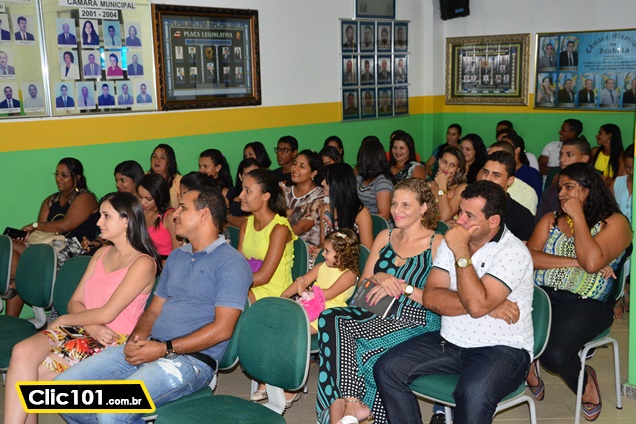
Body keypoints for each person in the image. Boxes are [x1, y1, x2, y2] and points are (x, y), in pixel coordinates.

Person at [56, 186, 252, 423]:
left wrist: (163, 349)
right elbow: (154, 309)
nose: (175, 214)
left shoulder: (231, 263)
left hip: (191, 361)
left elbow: (223, 329)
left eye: (183, 208)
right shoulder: (178, 257)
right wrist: (135, 341)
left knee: (112, 411)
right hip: (152, 347)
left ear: (204, 215)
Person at [374, 180, 534, 424]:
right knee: (387, 368)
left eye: (469, 215)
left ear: (493, 221)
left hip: (502, 348)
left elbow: (478, 305)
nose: (460, 220)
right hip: (450, 340)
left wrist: (461, 254)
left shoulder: (512, 252)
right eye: (460, 211)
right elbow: (432, 297)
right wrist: (485, 304)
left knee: (472, 393)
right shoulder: (452, 241)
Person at [4, 191, 160, 424]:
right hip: (84, 329)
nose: (98, 222)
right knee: (21, 352)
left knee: (28, 384)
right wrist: (86, 323)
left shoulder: (143, 263)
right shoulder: (101, 253)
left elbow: (109, 313)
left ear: (126, 221)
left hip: (110, 339)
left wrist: (66, 320)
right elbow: (74, 302)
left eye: (106, 216)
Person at [317, 178, 443, 424]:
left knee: (359, 349)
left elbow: (437, 300)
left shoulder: (437, 243)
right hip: (376, 312)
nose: (397, 211)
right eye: (394, 204)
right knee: (332, 322)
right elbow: (361, 289)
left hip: (416, 319)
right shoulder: (384, 236)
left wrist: (402, 287)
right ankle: (352, 408)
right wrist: (380, 276)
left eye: (406, 205)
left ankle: (343, 410)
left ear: (424, 208)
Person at [526, 163, 631, 421]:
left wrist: (579, 217)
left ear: (589, 189)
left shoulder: (616, 223)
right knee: (503, 329)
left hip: (587, 303)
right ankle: (528, 364)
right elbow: (529, 256)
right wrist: (574, 261)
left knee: (556, 355)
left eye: (570, 187)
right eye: (560, 187)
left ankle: (587, 383)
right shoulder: (551, 219)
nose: (562, 193)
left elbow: (593, 262)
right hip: (542, 295)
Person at [4, 158, 100, 319]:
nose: (58, 179)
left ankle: (13, 284)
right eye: (57, 174)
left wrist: (35, 226)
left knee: (27, 261)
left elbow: (65, 225)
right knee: (10, 246)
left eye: (64, 175)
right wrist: (28, 236)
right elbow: (41, 232)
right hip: (48, 246)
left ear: (76, 178)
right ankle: (9, 318)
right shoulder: (51, 200)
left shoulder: (85, 198)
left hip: (74, 249)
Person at [282, 228, 359, 334]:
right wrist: (284, 296)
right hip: (311, 302)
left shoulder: (350, 274)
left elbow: (329, 294)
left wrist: (305, 293)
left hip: (330, 311)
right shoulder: (320, 267)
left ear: (341, 254)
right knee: (286, 318)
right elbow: (303, 281)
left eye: (327, 251)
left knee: (298, 328)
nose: (322, 254)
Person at [238, 168, 295, 304]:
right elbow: (239, 263)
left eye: (248, 191)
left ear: (265, 196)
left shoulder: (279, 228)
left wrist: (231, 284)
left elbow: (264, 277)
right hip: (251, 285)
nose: (241, 196)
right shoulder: (247, 223)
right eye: (242, 190)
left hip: (275, 293)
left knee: (232, 298)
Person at [81, 161, 146, 254]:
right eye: (116, 180)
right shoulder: (116, 202)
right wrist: (94, 243)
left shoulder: (144, 206)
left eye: (122, 180)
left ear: (136, 180)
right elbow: (107, 228)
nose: (118, 185)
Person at [479, 151, 535, 241]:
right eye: (485, 172)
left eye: (496, 175)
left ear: (510, 180)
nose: (487, 179)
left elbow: (521, 253)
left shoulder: (522, 216)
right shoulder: (470, 204)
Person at [320, 163, 373, 250]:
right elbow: (322, 243)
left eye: (327, 180)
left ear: (338, 184)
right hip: (327, 257)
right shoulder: (325, 209)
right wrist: (316, 249)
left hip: (350, 261)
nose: (322, 183)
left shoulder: (361, 214)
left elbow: (367, 251)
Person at [537, 137, 591, 221]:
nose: (562, 159)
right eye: (561, 155)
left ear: (584, 159)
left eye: (569, 155)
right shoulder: (551, 190)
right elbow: (540, 221)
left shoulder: (595, 186)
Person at [284, 150, 325, 257]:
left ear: (313, 173)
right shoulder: (285, 192)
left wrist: (273, 239)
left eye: (302, 166)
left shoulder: (319, 196)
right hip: (282, 246)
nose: (295, 169)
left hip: (306, 252)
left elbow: (301, 227)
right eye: (294, 164)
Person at [611, 143, 633, 317]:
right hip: (620, 236)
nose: (631, 171)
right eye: (628, 167)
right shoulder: (617, 182)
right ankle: (618, 296)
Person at [488, 141, 539, 215]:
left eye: (498, 156)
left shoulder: (526, 193)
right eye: (489, 157)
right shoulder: (478, 184)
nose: (488, 178)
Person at [137, 173, 179, 261]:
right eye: (140, 197)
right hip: (144, 260)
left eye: (148, 199)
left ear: (160, 197)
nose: (142, 202)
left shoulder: (169, 217)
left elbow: (178, 253)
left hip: (165, 263)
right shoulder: (139, 212)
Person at [356, 136, 395, 221]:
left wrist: (363, 222)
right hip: (364, 222)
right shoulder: (361, 178)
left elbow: (384, 215)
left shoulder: (383, 181)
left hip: (378, 227)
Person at [428, 145, 468, 223]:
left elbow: (444, 217)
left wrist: (442, 186)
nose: (446, 168)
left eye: (452, 165)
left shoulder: (461, 188)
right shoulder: (428, 186)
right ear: (439, 161)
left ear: (458, 169)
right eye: (444, 162)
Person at [500, 130, 543, 199]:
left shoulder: (532, 174)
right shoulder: (499, 171)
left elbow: (536, 199)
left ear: (517, 150)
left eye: (507, 146)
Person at [227, 158, 261, 227]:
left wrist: (229, 218)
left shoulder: (261, 195)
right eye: (247, 174)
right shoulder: (232, 192)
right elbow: (223, 212)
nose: (251, 178)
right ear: (240, 176)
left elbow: (250, 222)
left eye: (254, 174)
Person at [149, 143, 182, 209]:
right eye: (154, 156)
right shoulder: (145, 177)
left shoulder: (179, 181)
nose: (157, 160)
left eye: (162, 158)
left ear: (170, 162)